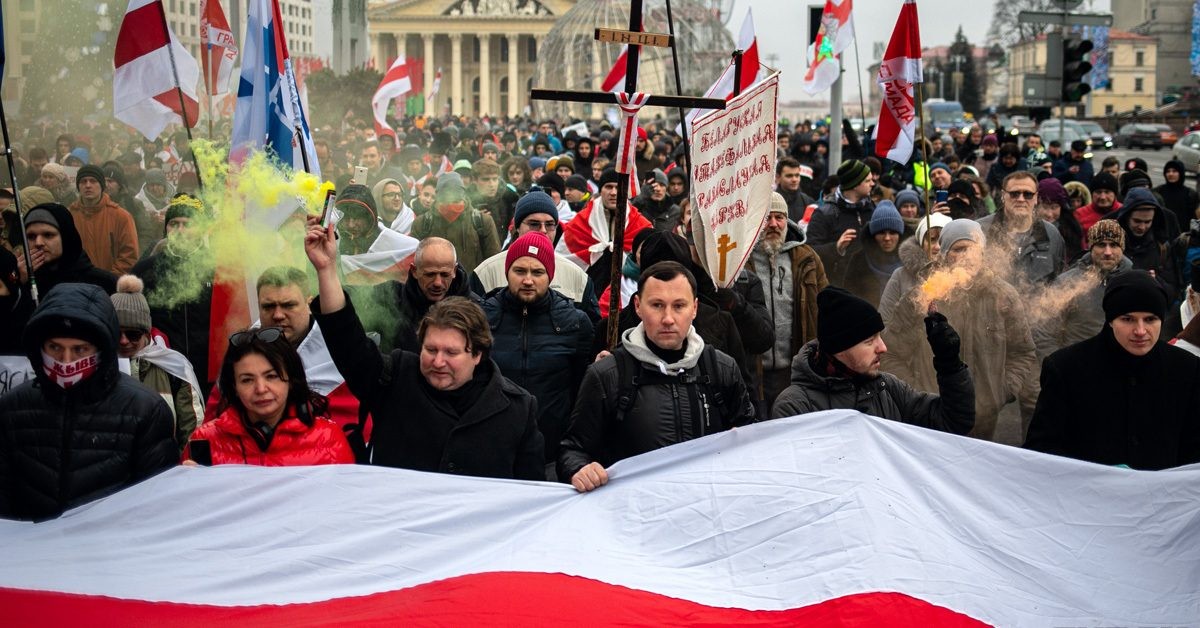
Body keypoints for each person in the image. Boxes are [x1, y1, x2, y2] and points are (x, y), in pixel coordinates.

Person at [305, 216, 544, 480]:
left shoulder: (518, 409)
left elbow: (531, 490)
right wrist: (326, 269)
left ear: (477, 353)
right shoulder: (394, 382)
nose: (438, 362)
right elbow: (345, 337)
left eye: (451, 353)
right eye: (430, 350)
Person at [559, 261, 756, 492]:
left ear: (694, 308)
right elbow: (572, 449)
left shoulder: (721, 368)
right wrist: (579, 469)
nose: (668, 318)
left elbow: (753, 438)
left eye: (679, 306)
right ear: (637, 306)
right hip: (634, 507)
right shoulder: (607, 375)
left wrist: (743, 442)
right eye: (657, 305)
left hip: (706, 504)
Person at [0, 283, 176, 521]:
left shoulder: (145, 411)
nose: (66, 360)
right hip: (31, 542)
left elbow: (156, 505)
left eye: (80, 349)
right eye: (54, 348)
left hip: (113, 540)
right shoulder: (11, 408)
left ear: (102, 349)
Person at [1025, 271, 1200, 469]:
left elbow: (1194, 448)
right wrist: (1096, 475)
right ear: (1110, 320)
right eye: (1128, 319)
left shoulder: (1187, 369)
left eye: (1150, 319)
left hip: (1164, 488)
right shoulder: (1066, 368)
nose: (1140, 331)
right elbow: (1041, 447)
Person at [881, 219, 1038, 440]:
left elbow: (1022, 351)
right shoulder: (923, 296)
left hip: (983, 420)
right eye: (959, 249)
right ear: (945, 254)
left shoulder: (1003, 296)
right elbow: (890, 353)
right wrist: (916, 393)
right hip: (932, 417)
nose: (967, 256)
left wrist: (1001, 391)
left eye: (974, 249)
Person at [771, 286, 974, 435]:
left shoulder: (888, 388)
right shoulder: (795, 407)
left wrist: (949, 363)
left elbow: (953, 423)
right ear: (839, 349)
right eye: (869, 341)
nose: (883, 348)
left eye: (879, 337)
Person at [482, 232, 593, 476]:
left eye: (537, 272)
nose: (528, 280)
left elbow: (580, 389)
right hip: (492, 450)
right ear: (507, 272)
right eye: (520, 271)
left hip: (551, 454)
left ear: (550, 275)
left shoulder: (575, 323)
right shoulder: (481, 318)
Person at [183, 327, 355, 466]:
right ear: (234, 387)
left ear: (291, 380)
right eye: (247, 380)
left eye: (271, 376)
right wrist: (189, 483)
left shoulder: (328, 437)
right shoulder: (203, 441)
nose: (260, 389)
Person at [746, 192, 828, 412]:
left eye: (779, 217)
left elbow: (826, 308)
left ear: (787, 220)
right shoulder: (741, 259)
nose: (773, 224)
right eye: (766, 217)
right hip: (754, 372)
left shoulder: (807, 258)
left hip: (795, 372)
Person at [470, 191, 600, 324]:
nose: (543, 230)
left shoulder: (577, 276)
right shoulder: (486, 272)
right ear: (517, 227)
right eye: (534, 224)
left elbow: (590, 329)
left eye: (549, 224)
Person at [111, 274, 204, 451]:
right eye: (117, 333)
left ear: (147, 333)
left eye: (133, 334)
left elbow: (193, 431)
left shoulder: (174, 368)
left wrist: (186, 464)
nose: (123, 341)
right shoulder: (98, 367)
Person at [1034, 219, 1133, 359]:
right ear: (1091, 247)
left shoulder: (1134, 283)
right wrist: (1057, 366)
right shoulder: (1068, 283)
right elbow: (1044, 333)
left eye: (1114, 245)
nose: (1108, 252)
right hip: (1077, 364)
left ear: (1122, 248)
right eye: (1101, 245)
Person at [979, 171, 1065, 287]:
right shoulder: (980, 230)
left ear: (1036, 198)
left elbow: (1058, 283)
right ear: (1003, 195)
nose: (1021, 199)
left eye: (1028, 194)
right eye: (1014, 194)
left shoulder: (1051, 234)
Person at [409, 172, 501, 274]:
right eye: (446, 200)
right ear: (438, 198)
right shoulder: (422, 223)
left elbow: (494, 263)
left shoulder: (482, 221)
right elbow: (413, 262)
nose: (451, 205)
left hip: (472, 283)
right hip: (434, 282)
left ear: (463, 197)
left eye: (456, 200)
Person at [17, 203, 117, 295]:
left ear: (66, 237)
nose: (38, 243)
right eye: (31, 236)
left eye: (48, 235)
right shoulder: (24, 281)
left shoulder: (103, 283)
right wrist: (18, 284)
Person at [806, 159, 875, 281]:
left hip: (869, 285)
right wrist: (836, 248)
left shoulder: (873, 209)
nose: (872, 184)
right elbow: (810, 252)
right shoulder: (824, 213)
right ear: (855, 185)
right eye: (868, 181)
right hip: (838, 285)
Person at [879, 212, 953, 326]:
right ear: (921, 243)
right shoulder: (900, 276)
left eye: (942, 240)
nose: (938, 247)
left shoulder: (962, 276)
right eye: (932, 239)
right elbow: (884, 322)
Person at [68, 165, 139, 275]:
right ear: (78, 186)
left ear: (101, 185)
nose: (88, 185)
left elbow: (129, 256)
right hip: (76, 282)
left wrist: (109, 279)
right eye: (83, 181)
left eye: (93, 181)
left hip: (111, 282)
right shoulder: (68, 216)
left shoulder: (121, 217)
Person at [840, 200, 905, 307]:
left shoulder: (911, 260)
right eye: (881, 233)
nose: (887, 238)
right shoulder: (859, 261)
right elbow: (848, 299)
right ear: (873, 235)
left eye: (893, 232)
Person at [1074, 172, 1121, 243]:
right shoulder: (1079, 214)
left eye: (1107, 192)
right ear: (1092, 194)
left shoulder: (1124, 211)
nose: (1102, 197)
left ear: (1115, 194)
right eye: (1098, 192)